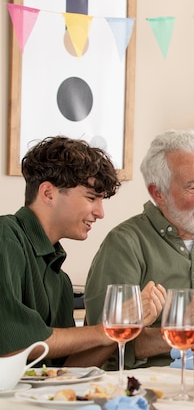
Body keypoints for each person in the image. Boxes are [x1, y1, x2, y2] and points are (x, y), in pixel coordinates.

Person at [84, 129, 194, 369]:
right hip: (148, 383)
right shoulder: (124, 244)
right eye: (192, 186)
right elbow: (105, 344)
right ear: (157, 193)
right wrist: (181, 333)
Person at [0, 136, 164, 367]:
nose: (100, 212)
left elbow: (67, 370)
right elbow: (14, 345)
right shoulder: (5, 237)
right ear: (48, 193)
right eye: (91, 198)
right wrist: (105, 330)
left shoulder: (60, 280)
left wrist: (123, 327)